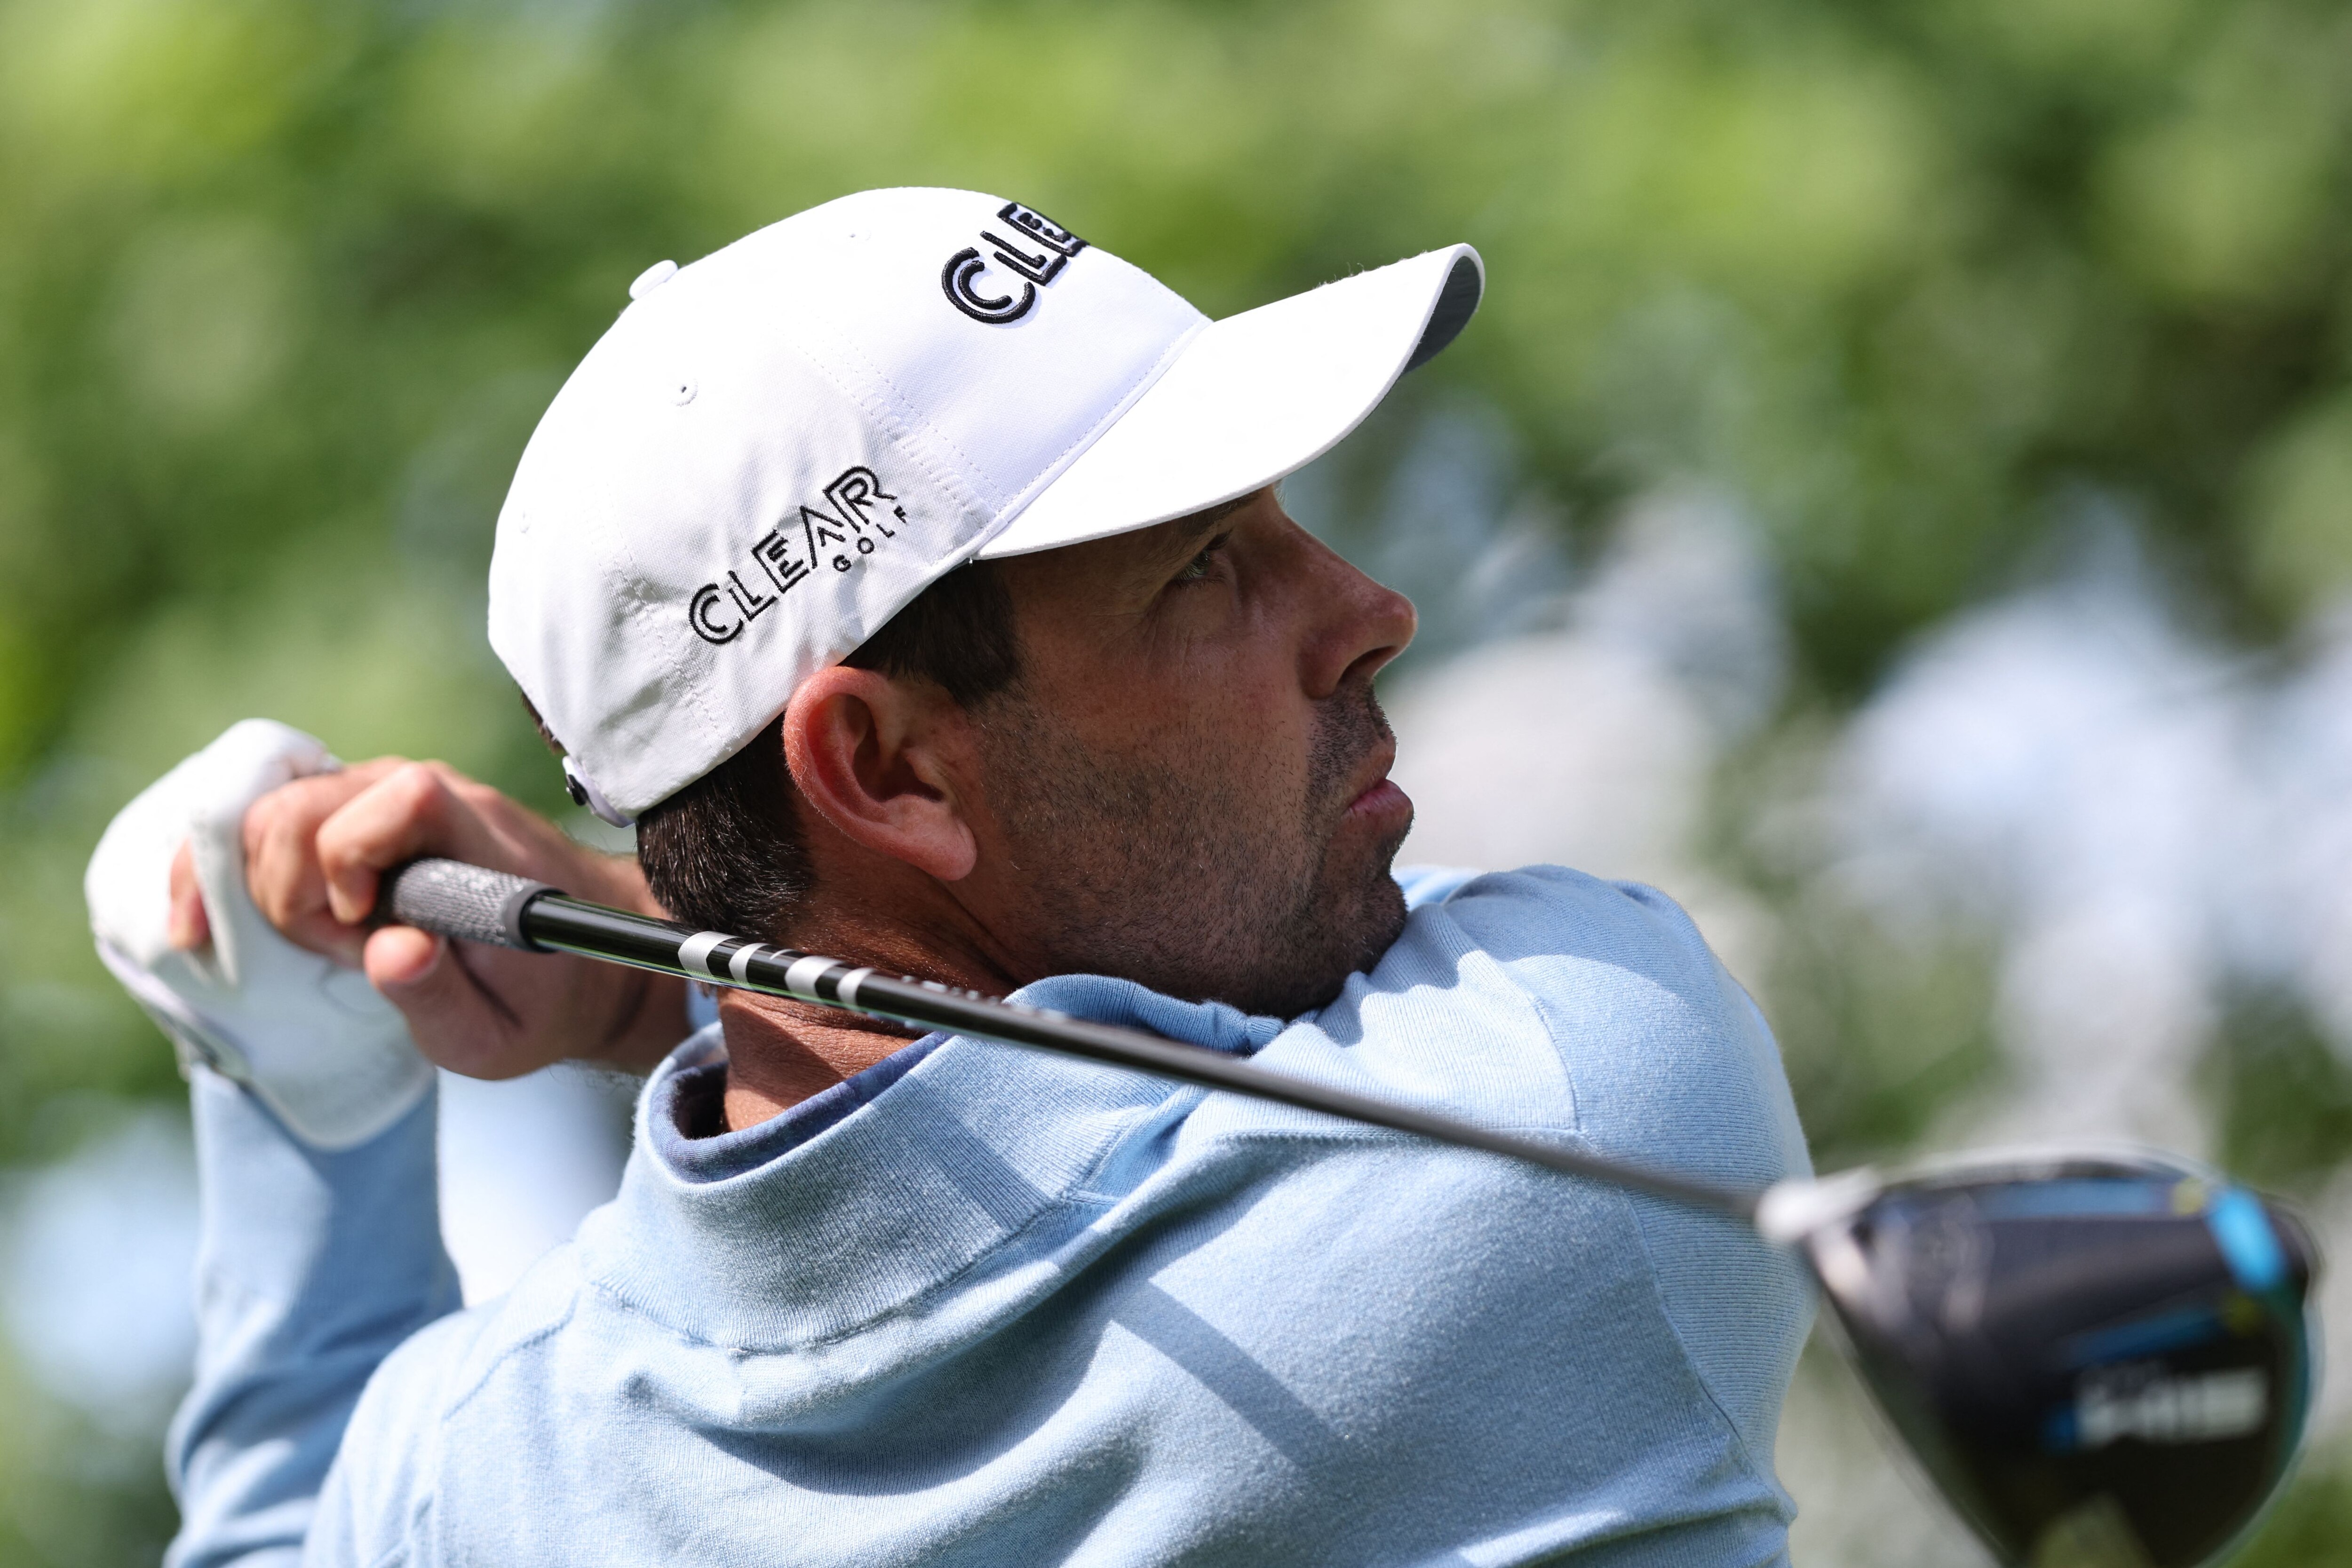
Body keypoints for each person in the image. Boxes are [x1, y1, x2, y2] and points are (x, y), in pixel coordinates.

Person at [88, 188, 1813, 1567]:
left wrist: (299, 1083)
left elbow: (286, 1529)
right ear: (888, 771)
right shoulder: (1572, 1117)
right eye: (1211, 567)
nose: (1369, 610)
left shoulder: (489, 1479)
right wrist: (628, 959)